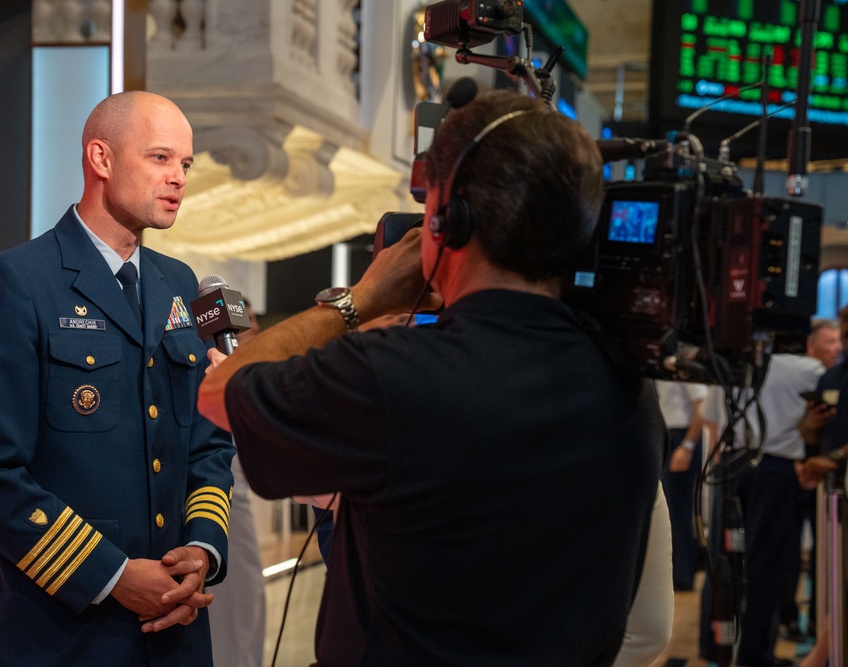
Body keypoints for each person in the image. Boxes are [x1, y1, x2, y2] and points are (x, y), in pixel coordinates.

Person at [162, 90, 664, 664]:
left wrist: (359, 299)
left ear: (447, 221)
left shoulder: (396, 376)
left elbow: (220, 391)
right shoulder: (627, 380)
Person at [0, 91, 235, 666]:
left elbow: (208, 442)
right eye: (160, 158)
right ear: (100, 159)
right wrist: (114, 575)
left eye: (185, 164)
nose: (178, 177)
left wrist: (202, 548)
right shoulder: (18, 281)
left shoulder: (182, 284)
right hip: (61, 634)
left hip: (175, 632)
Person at [698, 320, 840, 667]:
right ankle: (754, 654)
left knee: (724, 561)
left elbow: (716, 417)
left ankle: (710, 644)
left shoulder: (736, 361)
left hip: (734, 464)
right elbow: (825, 412)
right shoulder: (808, 369)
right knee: (765, 566)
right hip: (777, 469)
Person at [207, 300, 266, 667]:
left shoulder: (250, 380)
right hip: (220, 507)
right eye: (249, 326)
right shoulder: (215, 377)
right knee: (231, 617)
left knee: (248, 607)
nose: (255, 332)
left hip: (241, 506)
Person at [655, 380, 707, 591]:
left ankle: (684, 575)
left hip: (682, 436)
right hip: (669, 434)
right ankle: (679, 572)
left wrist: (687, 445)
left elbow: (701, 406)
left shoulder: (684, 364)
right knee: (672, 509)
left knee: (678, 509)